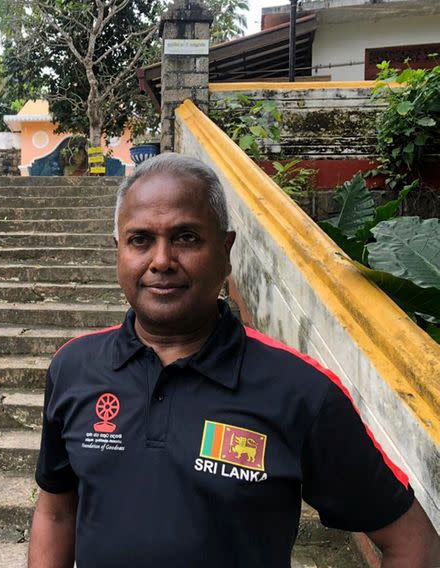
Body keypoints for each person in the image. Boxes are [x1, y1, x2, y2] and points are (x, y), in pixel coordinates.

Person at [28, 153, 440, 568]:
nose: (161, 261)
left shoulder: (301, 392)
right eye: (140, 240)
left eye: (186, 237)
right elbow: (57, 511)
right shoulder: (73, 368)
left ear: (226, 251)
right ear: (119, 250)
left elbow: (412, 543)